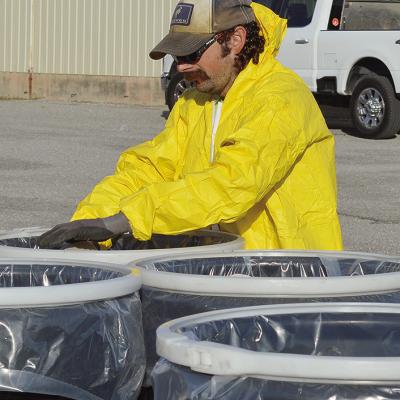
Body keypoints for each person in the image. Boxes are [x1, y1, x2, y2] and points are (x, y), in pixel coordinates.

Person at [38, 0, 343, 251]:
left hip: (289, 279)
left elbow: (232, 183)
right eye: (177, 54)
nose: (181, 66)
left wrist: (128, 218)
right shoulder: (194, 102)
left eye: (192, 52)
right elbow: (150, 169)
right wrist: (91, 223)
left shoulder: (279, 98)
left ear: (235, 40)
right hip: (227, 269)